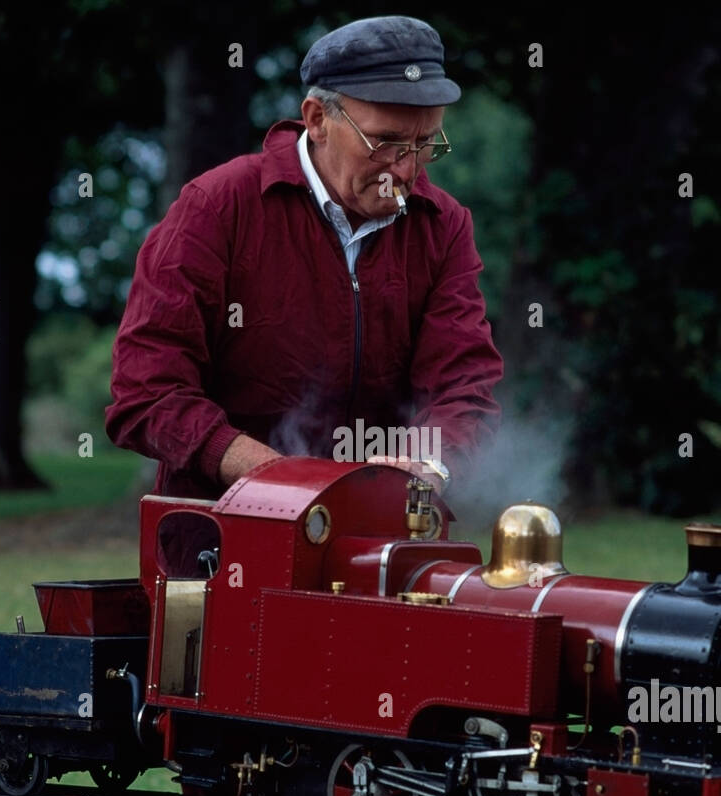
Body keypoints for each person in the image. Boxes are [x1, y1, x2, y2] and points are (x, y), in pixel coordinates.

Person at [105, 15, 502, 502]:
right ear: (317, 120)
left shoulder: (443, 224)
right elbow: (147, 392)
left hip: (383, 522)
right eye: (385, 143)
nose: (405, 169)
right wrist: (278, 477)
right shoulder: (217, 206)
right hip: (221, 527)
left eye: (425, 145)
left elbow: (463, 387)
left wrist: (432, 464)